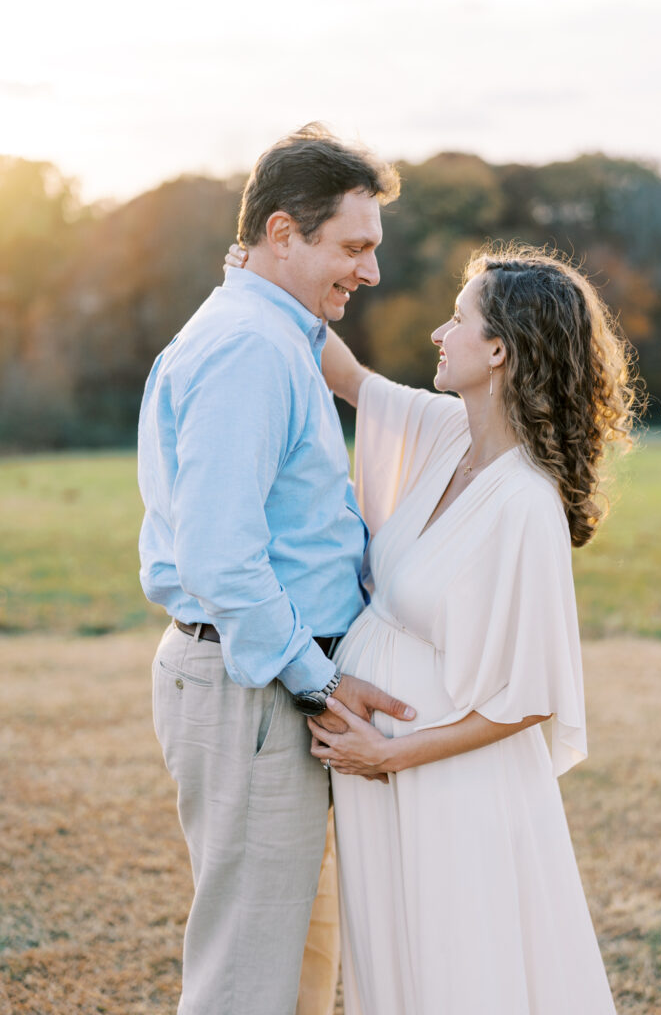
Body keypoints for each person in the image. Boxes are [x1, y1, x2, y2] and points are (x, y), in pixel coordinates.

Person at [229, 240, 638, 1013]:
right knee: (400, 965)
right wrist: (266, 281)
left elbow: (528, 698)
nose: (437, 336)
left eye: (456, 321)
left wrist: (389, 753)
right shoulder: (450, 435)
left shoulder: (524, 502)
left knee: (457, 971)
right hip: (388, 772)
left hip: (445, 781)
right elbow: (344, 375)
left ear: (497, 350)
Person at [137, 124, 416, 1015]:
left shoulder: (279, 330)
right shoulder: (250, 349)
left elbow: (362, 389)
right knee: (247, 976)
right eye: (353, 247)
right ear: (284, 232)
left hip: (270, 681)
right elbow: (220, 556)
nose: (369, 273)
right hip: (257, 684)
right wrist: (318, 683)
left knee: (301, 960)